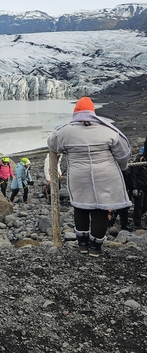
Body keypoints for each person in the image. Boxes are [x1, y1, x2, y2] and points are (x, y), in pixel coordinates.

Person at [47, 96, 131, 257]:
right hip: (105, 174)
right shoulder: (108, 130)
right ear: (93, 112)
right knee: (101, 208)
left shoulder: (65, 131)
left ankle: (83, 246)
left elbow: (52, 143)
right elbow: (123, 153)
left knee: (81, 207)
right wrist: (120, 167)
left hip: (79, 175)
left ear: (75, 112)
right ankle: (96, 248)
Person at [130, 145, 147, 229]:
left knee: (145, 205)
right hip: (140, 186)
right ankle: (137, 223)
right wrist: (134, 188)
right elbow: (134, 175)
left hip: (145, 186)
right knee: (139, 205)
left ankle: (138, 219)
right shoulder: (139, 160)